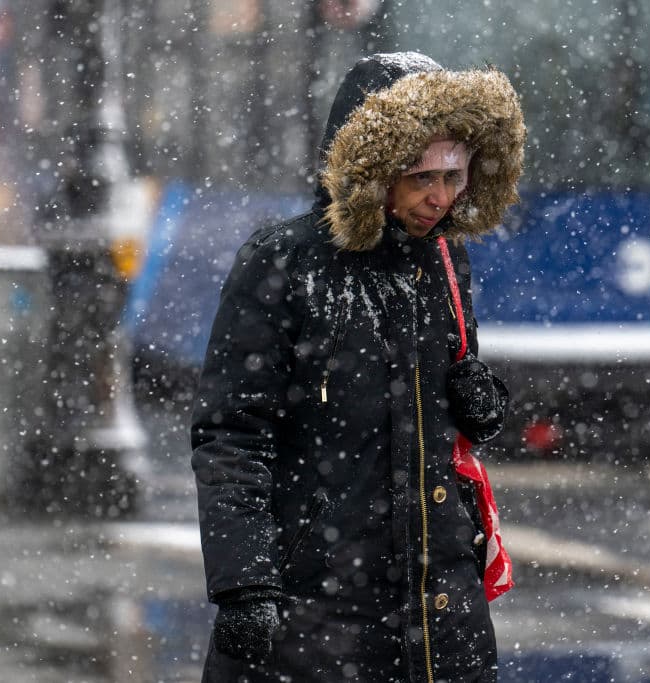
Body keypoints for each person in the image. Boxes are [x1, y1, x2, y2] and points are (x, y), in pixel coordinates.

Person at [191, 51, 525, 682]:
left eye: (454, 176)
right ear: (371, 170)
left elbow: (441, 417)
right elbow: (232, 434)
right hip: (317, 608)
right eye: (421, 176)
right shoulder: (285, 262)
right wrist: (244, 586)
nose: (440, 197)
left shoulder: (446, 262)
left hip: (439, 606)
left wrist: (478, 400)